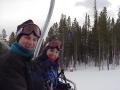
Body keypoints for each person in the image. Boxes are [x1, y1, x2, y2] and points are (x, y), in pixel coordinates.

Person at [0, 19, 41, 90]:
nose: (31, 43)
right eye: (27, 38)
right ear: (18, 38)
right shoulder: (9, 62)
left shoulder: (27, 61)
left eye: (34, 40)